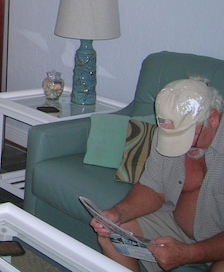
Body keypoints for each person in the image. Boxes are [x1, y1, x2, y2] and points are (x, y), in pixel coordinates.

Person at [90, 78, 224, 272]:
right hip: (176, 226)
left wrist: (189, 253)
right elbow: (152, 188)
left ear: (213, 118)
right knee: (112, 236)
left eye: (188, 137)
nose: (182, 147)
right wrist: (118, 213)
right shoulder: (166, 134)